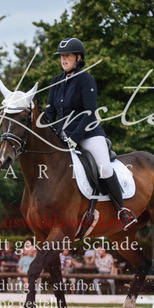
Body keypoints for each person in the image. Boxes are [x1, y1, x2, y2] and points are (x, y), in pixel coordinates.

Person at [46, 37, 137, 230]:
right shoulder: (56, 82)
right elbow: (49, 114)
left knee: (104, 168)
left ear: (78, 58)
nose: (63, 59)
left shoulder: (85, 79)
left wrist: (74, 137)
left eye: (67, 55)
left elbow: (89, 112)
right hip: (63, 136)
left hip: (88, 134)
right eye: (61, 56)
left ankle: (122, 210)